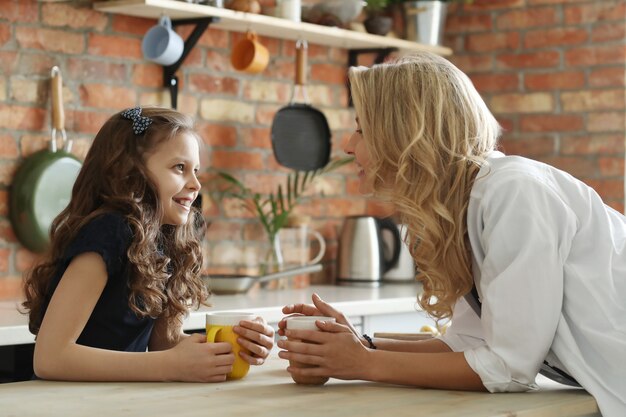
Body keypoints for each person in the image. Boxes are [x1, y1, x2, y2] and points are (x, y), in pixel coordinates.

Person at [276, 53, 625, 416]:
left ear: (405, 133)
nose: (349, 145)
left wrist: (361, 362)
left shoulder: (513, 193)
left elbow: (508, 367)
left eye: (362, 129)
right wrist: (359, 343)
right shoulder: (463, 206)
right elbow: (468, 345)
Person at [22, 106, 274, 382]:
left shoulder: (167, 238)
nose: (196, 184)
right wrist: (171, 366)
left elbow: (163, 344)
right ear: (131, 173)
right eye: (180, 168)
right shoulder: (109, 231)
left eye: (196, 170)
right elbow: (50, 358)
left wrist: (233, 346)